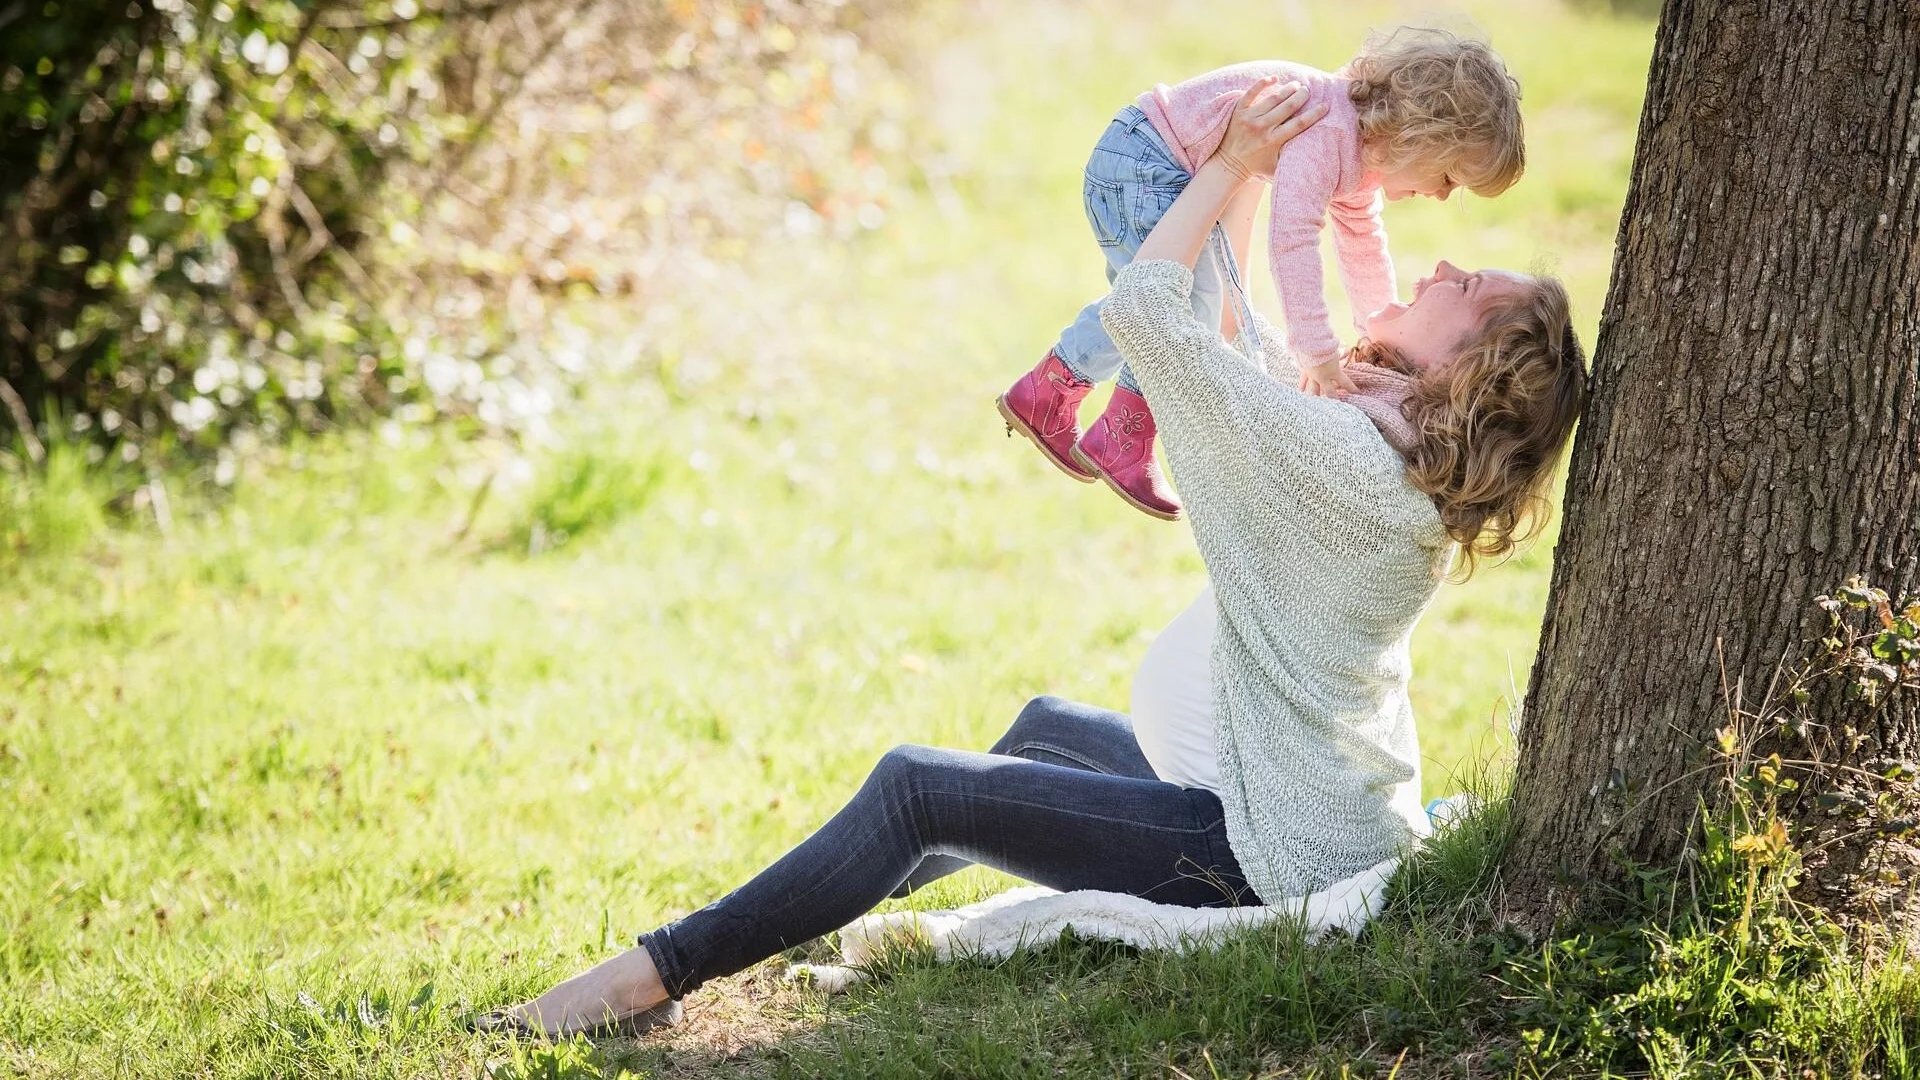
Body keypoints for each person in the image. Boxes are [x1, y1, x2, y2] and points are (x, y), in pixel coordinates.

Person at [474, 79, 1585, 1040]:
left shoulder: (1343, 460)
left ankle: (650, 977)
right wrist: (1252, 178)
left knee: (920, 786)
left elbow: (1153, 311)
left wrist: (1238, 162)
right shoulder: (1383, 452)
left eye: (1473, 290)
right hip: (1287, 796)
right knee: (1043, 730)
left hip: (1260, 849)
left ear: (1471, 373)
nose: (1443, 262)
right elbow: (1240, 341)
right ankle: (787, 916)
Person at [997, 27, 1525, 521]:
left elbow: (1363, 245)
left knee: (1173, 300)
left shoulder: (1360, 155)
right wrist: (1316, 351)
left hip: (1156, 162)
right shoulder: (1332, 131)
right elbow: (1292, 238)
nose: (1438, 195)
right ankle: (1119, 432)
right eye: (1449, 176)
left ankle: (1051, 393)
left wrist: (1374, 333)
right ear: (1419, 135)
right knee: (1173, 304)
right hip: (1143, 162)